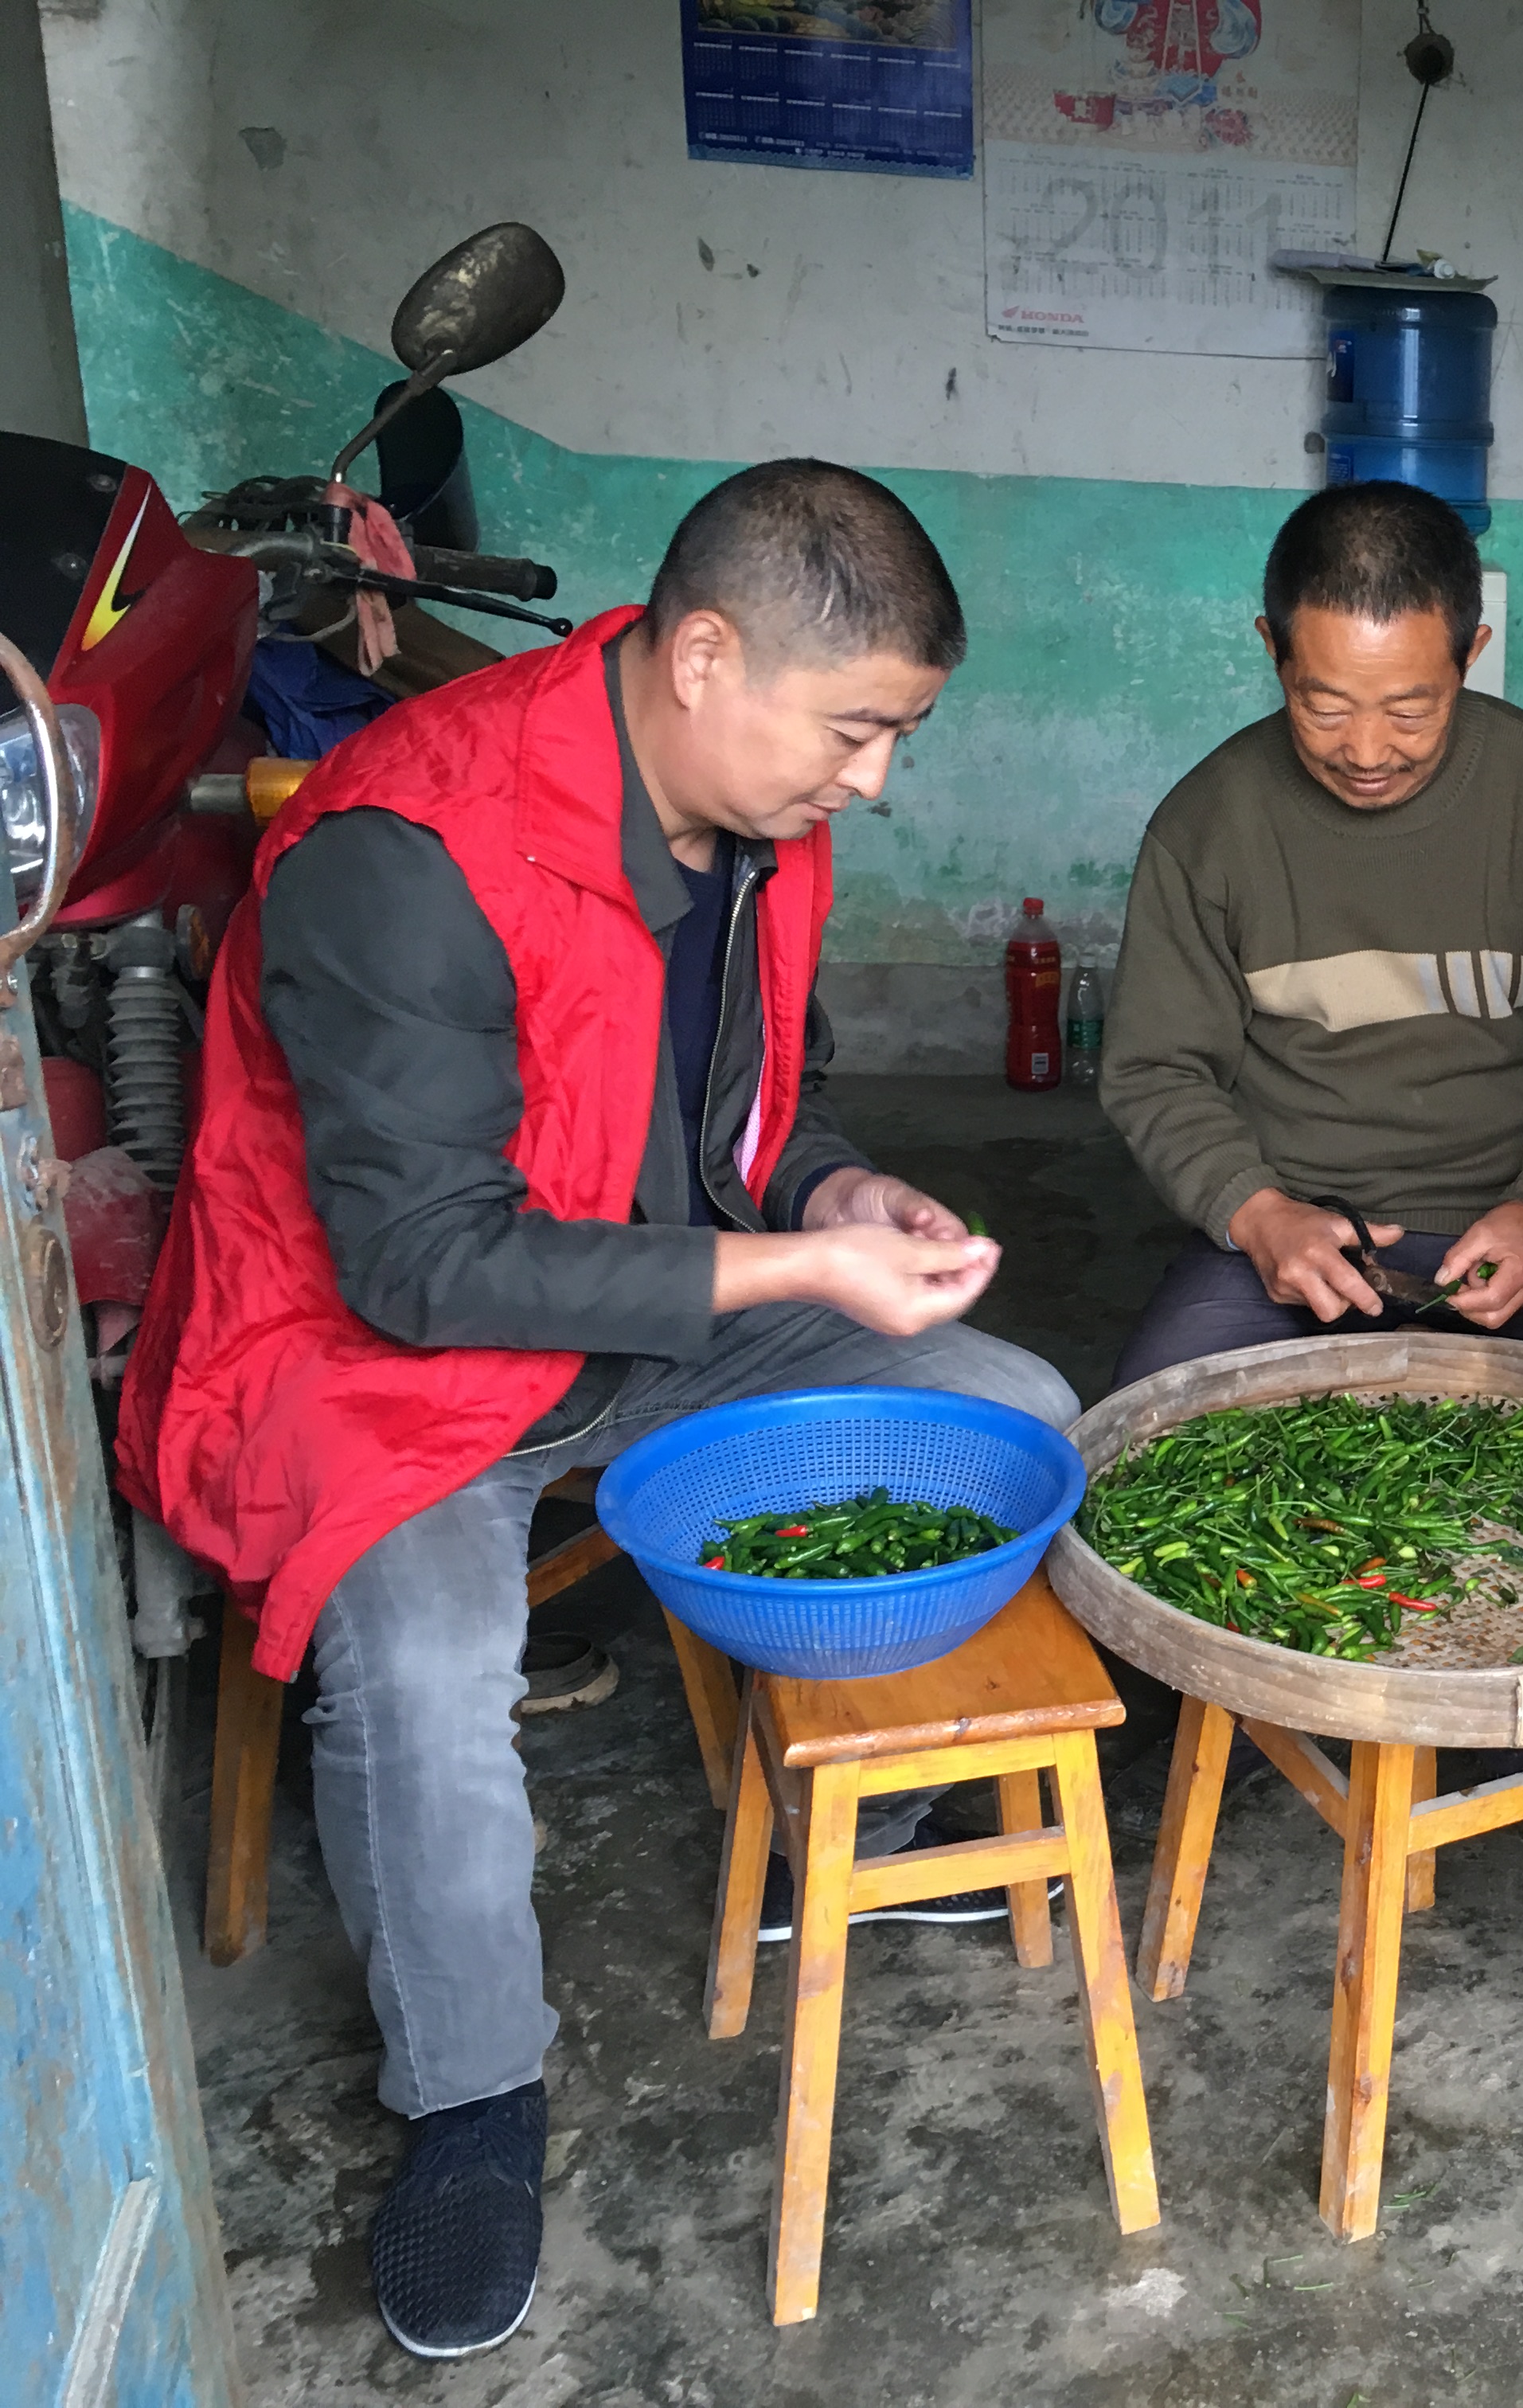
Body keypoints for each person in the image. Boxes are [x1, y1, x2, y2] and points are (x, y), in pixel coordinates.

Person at [116, 462, 1077, 2363]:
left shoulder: (756, 819)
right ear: (707, 657)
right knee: (423, 1669)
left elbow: (738, 1116)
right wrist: (794, 1274)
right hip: (383, 1366)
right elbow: (420, 1270)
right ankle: (469, 2103)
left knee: (1013, 1406)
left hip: (642, 1314)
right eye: (863, 732)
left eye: (898, 738)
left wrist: (832, 1199)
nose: (872, 782)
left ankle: (864, 1815)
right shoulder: (408, 851)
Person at [1101, 481, 1523, 1387]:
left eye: (1411, 710)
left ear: (1471, 655)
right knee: (1137, 1455)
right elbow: (1155, 1070)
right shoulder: (1206, 825)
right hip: (1296, 1227)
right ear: (1271, 650)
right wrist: (1256, 1215)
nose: (1367, 754)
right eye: (1323, 707)